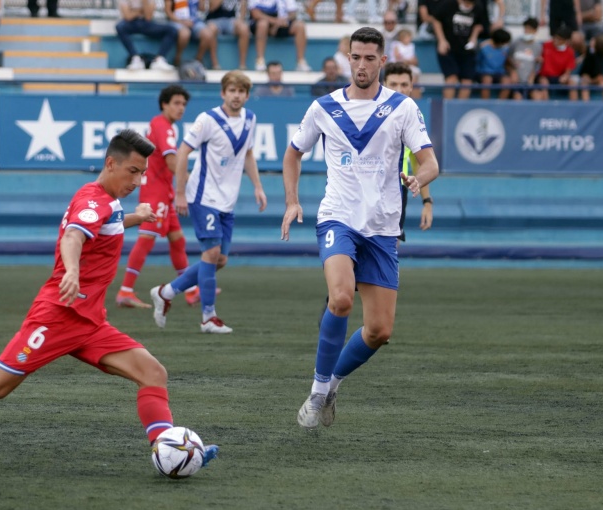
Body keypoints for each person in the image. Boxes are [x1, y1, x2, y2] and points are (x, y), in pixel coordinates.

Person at [0, 129, 219, 472]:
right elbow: (74, 236)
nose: (139, 179)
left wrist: (138, 217)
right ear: (110, 163)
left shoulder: (109, 201)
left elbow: (109, 223)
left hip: (90, 322)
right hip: (58, 316)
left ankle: (170, 449)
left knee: (153, 373)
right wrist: (71, 273)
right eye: (133, 171)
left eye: (143, 173)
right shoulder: (93, 201)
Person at [281, 27, 439, 429]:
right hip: (338, 217)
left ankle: (333, 385)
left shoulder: (402, 108)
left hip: (383, 228)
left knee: (380, 330)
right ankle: (316, 394)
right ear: (347, 58)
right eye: (356, 57)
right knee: (340, 299)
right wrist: (292, 200)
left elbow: (429, 161)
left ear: (382, 61)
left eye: (370, 58)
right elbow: (293, 153)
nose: (363, 65)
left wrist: (421, 180)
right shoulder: (323, 108)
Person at [150, 71, 267, 334]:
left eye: (241, 91)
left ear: (247, 95)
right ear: (223, 93)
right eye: (232, 90)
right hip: (203, 196)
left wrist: (258, 187)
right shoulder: (208, 119)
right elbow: (183, 151)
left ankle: (165, 291)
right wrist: (180, 192)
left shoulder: (250, 119)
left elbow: (247, 153)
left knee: (220, 259)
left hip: (227, 199)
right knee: (212, 254)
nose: (236, 95)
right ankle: (208, 318)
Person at [116, 85, 203, 309]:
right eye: (176, 103)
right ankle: (125, 290)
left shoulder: (166, 126)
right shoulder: (162, 126)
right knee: (146, 239)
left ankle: (191, 290)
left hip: (164, 192)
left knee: (177, 240)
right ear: (164, 104)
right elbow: (172, 162)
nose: (181, 108)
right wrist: (192, 182)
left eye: (184, 104)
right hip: (155, 192)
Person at [383, 62, 434, 242]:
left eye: (404, 85)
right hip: (367, 188)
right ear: (383, 86)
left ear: (411, 87)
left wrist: (426, 202)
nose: (399, 89)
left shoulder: (413, 119)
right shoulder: (369, 114)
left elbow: (419, 162)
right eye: (393, 84)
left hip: (397, 191)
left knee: (391, 252)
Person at [431, 0, 486, 99]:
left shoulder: (478, 6)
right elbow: (436, 20)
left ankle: (458, 109)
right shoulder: (447, 4)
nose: (468, 6)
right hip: (449, 48)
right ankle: (447, 108)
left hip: (467, 49)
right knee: (451, 77)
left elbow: (480, 24)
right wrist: (441, 40)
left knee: (467, 80)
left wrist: (474, 37)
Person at [248, 0, 311, 72]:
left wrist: (281, 22)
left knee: (300, 25)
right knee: (263, 24)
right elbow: (255, 14)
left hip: (282, 23)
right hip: (262, 22)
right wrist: (274, 21)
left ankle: (301, 62)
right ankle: (260, 60)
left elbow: (293, 13)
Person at [117, 0, 177, 71]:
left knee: (171, 30)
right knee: (120, 27)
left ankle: (159, 60)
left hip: (146, 24)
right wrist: (141, 11)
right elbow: (128, 16)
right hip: (131, 24)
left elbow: (148, 17)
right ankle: (136, 58)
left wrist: (142, 4)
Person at [165, 0, 217, 67]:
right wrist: (181, 22)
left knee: (208, 35)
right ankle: (177, 59)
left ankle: (198, 60)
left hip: (195, 21)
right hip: (177, 21)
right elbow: (168, 11)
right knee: (185, 34)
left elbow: (202, 8)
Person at [205, 0, 250, 71]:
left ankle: (242, 65)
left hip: (231, 20)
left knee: (244, 29)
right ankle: (215, 65)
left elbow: (243, 6)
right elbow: (212, 8)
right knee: (211, 30)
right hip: (213, 20)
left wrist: (241, 20)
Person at [535, 26, 578, 100]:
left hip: (559, 77)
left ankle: (575, 108)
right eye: (555, 37)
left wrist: (565, 76)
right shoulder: (545, 45)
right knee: (544, 82)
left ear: (566, 41)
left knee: (572, 83)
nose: (555, 40)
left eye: (559, 39)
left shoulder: (570, 52)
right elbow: (538, 58)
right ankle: (546, 108)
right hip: (545, 76)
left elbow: (568, 70)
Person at [507, 17, 543, 100]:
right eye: (525, 28)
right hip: (516, 81)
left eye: (530, 29)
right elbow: (508, 59)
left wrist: (532, 77)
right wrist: (512, 70)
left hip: (529, 81)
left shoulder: (538, 47)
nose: (527, 31)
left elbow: (536, 65)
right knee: (517, 97)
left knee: (537, 97)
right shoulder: (515, 43)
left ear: (535, 31)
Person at [476, 27, 511, 99]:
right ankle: (486, 105)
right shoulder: (483, 48)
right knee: (487, 80)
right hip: (485, 73)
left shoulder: (505, 49)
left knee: (507, 82)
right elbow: (477, 61)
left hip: (499, 73)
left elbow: (508, 62)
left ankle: (500, 105)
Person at [390, 27, 421, 97]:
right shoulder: (396, 45)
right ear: (402, 38)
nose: (409, 39)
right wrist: (406, 61)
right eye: (407, 37)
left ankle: (413, 97)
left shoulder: (411, 46)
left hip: (408, 67)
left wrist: (408, 61)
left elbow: (414, 60)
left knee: (414, 77)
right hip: (397, 67)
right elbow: (398, 57)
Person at [578, 33, 603, 100]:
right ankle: (586, 105)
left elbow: (599, 76)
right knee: (584, 83)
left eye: (593, 41)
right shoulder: (588, 53)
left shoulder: (601, 57)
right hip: (586, 76)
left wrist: (593, 80)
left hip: (597, 78)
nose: (591, 41)